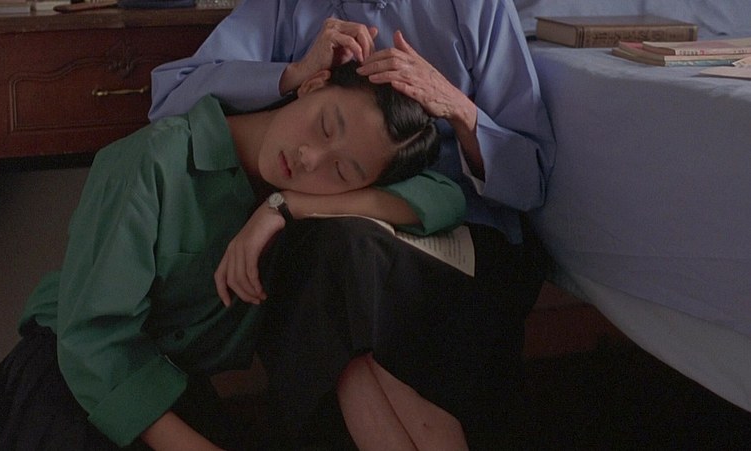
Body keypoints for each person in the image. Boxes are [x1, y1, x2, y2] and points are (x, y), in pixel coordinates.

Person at [0, 61, 453, 451]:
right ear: (313, 85)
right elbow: (92, 342)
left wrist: (282, 207)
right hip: (73, 380)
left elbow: (444, 197)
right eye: (323, 124)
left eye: (341, 172)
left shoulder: (293, 197)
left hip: (173, 389)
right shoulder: (155, 159)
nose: (309, 157)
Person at [150, 1, 556, 447]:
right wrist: (294, 73)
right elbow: (170, 100)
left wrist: (457, 107)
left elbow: (530, 178)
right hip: (331, 231)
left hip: (465, 238)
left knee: (341, 273)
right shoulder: (287, 8)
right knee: (332, 260)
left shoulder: (475, 7)